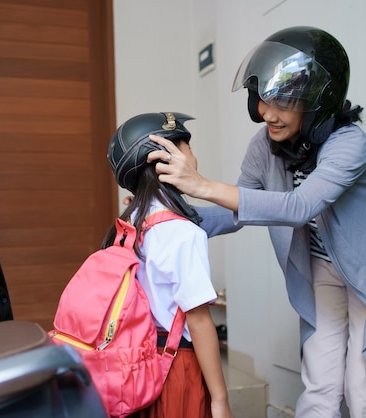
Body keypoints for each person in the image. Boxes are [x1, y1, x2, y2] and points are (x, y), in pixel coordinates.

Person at [146, 26, 366, 418]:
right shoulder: (265, 145)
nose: (267, 113)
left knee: (365, 391)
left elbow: (299, 206)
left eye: (283, 102)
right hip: (322, 266)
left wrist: (200, 185)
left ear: (318, 101)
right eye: (264, 100)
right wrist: (160, 217)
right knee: (320, 382)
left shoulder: (350, 144)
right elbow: (241, 207)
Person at [105, 112, 233, 418]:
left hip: (138, 360)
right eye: (187, 147)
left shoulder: (131, 220)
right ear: (166, 158)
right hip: (175, 365)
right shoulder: (181, 231)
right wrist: (220, 399)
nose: (193, 155)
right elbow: (199, 321)